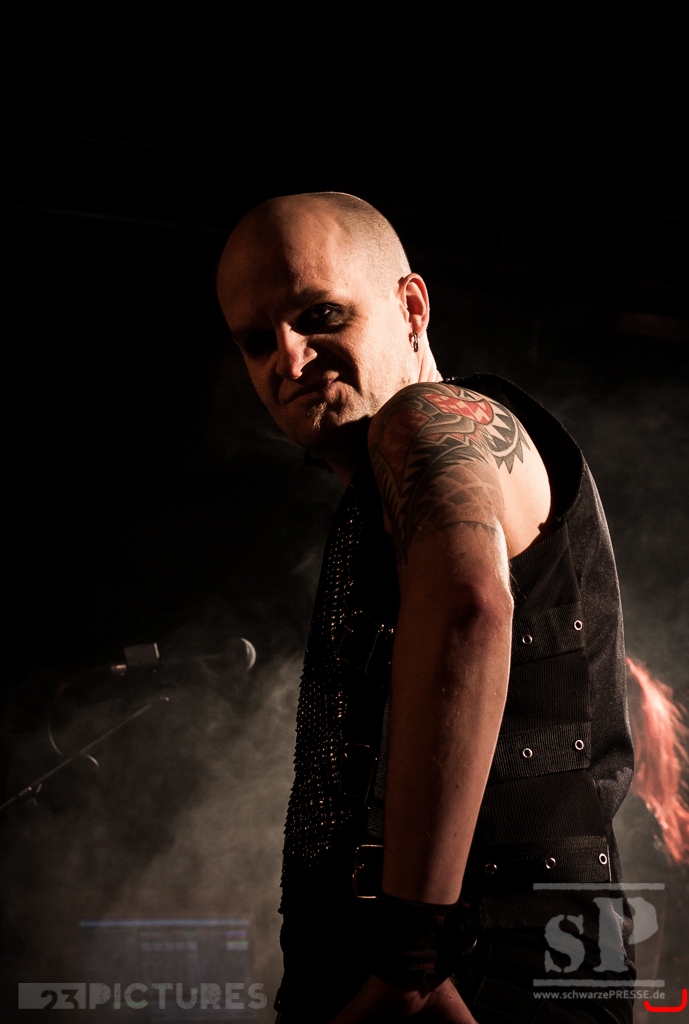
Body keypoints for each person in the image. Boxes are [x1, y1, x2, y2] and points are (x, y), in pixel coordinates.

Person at [216, 194, 635, 1023]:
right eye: (258, 341)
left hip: (467, 977)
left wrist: (408, 960)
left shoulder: (426, 417)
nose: (289, 358)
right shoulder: (388, 479)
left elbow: (467, 608)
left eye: (320, 315)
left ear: (411, 307)